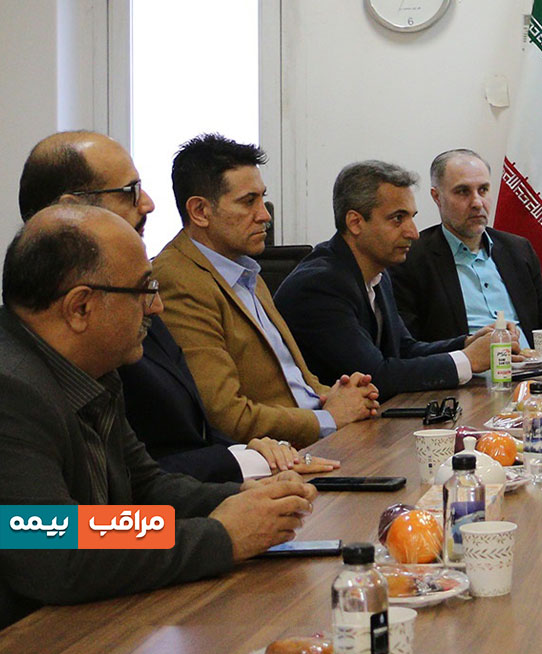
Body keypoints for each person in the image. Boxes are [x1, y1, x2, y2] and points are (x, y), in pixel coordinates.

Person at [0, 205, 318, 628]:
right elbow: (54, 544)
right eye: (144, 289)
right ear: (80, 308)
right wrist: (221, 536)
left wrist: (241, 499)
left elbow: (144, 488)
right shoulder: (11, 390)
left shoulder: (94, 368)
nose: (157, 306)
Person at [20, 132, 335, 478]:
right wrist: (236, 491)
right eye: (130, 192)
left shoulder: (102, 349)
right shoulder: (18, 385)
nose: (148, 204)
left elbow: (146, 478)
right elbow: (44, 524)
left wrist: (250, 462)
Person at [154, 133, 379, 451]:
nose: (265, 215)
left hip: (312, 440)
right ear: (200, 211)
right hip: (277, 458)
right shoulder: (178, 279)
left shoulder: (245, 269)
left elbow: (296, 382)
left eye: (262, 198)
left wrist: (342, 395)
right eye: (248, 202)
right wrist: (328, 418)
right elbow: (225, 416)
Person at [276, 161, 503, 396]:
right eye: (398, 218)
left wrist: (466, 344)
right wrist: (468, 360)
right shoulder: (319, 286)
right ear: (355, 222)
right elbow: (375, 376)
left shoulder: (377, 273)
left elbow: (403, 349)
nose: (413, 233)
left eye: (412, 217)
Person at [390, 149, 542, 345]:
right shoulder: (410, 258)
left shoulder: (518, 249)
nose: (477, 203)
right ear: (437, 197)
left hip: (531, 363)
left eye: (483, 190)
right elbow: (409, 346)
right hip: (468, 363)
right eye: (463, 192)